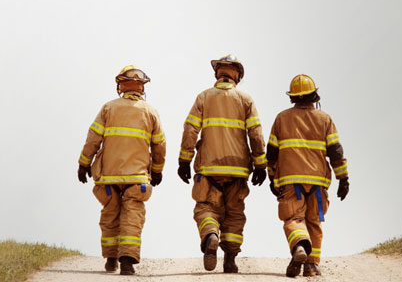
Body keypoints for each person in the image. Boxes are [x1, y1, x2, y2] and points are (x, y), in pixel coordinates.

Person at [178, 54, 267, 273]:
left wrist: (184, 159)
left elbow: (190, 130)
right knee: (235, 213)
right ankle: (230, 260)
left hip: (209, 169)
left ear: (218, 73)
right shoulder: (246, 99)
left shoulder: (204, 97)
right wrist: (261, 164)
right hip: (238, 170)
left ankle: (210, 234)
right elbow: (255, 134)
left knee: (206, 207)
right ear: (238, 75)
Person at [77, 65, 166, 275]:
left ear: (121, 86)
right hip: (137, 178)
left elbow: (93, 138)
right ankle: (126, 261)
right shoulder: (150, 112)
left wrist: (83, 163)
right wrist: (158, 169)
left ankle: (110, 259)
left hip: (108, 178)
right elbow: (160, 144)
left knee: (110, 216)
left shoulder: (108, 108)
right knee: (132, 217)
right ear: (141, 87)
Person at [266, 74, 349, 277]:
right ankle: (311, 265)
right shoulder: (325, 119)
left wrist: (271, 176)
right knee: (314, 222)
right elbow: (336, 152)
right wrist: (343, 178)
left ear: (292, 97)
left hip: (290, 180)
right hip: (318, 182)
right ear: (314, 96)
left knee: (294, 218)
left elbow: (271, 153)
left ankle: (299, 246)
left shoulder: (281, 118)